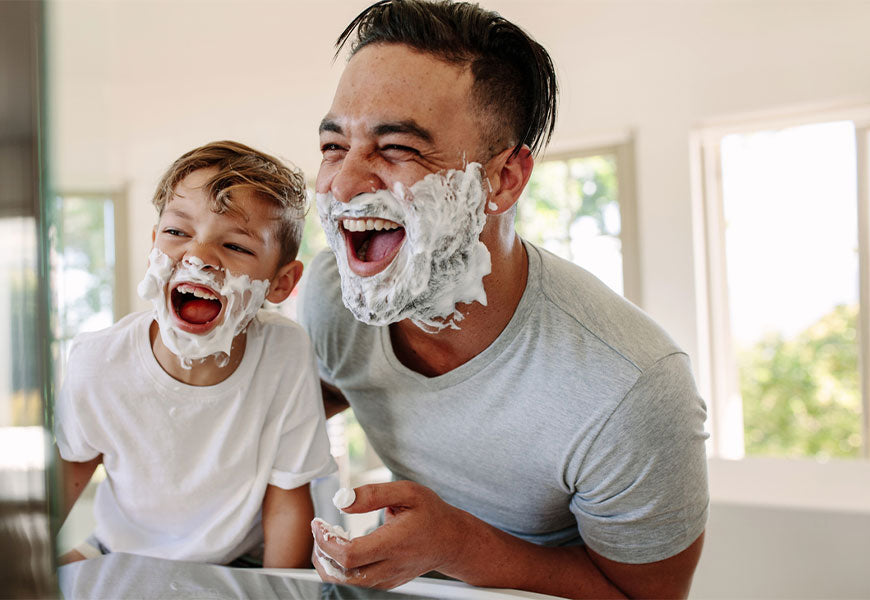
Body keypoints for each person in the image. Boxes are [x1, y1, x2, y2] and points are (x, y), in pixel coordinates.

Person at [300, 1, 709, 597]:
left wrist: (458, 547)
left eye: (398, 149)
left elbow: (648, 598)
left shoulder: (630, 388)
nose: (342, 183)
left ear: (504, 179)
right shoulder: (333, 299)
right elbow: (300, 401)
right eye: (334, 146)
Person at [55, 141, 335, 568]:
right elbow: (60, 485)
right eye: (176, 232)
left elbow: (287, 501)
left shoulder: (284, 352)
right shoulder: (98, 362)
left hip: (238, 561)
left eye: (237, 247)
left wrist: (280, 590)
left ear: (281, 283)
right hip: (119, 551)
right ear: (153, 246)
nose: (200, 257)